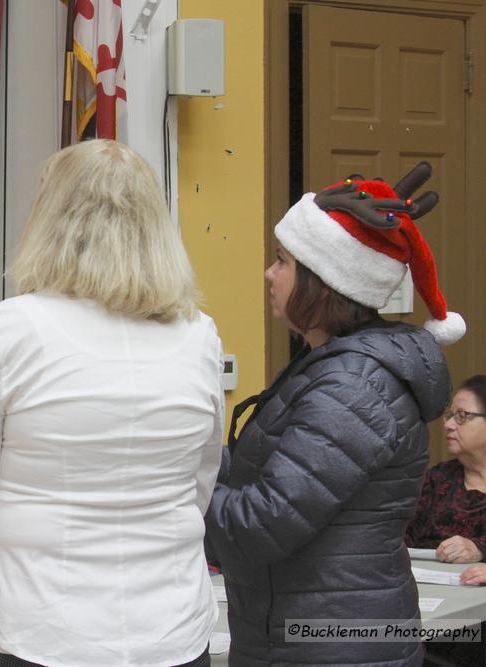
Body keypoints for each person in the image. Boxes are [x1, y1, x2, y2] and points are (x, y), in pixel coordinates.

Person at [0, 139, 224, 667]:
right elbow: (199, 482)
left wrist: (12, 562)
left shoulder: (5, 330)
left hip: (33, 625)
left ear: (49, 220)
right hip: (171, 626)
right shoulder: (200, 334)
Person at [204, 162, 463, 666]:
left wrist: (179, 472)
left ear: (323, 282)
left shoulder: (352, 387)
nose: (269, 274)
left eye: (283, 262)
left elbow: (260, 525)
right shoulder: (337, 371)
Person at [406, 375, 486, 565]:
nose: (448, 425)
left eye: (462, 416)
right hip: (430, 588)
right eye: (450, 416)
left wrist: (480, 549)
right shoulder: (436, 479)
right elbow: (400, 538)